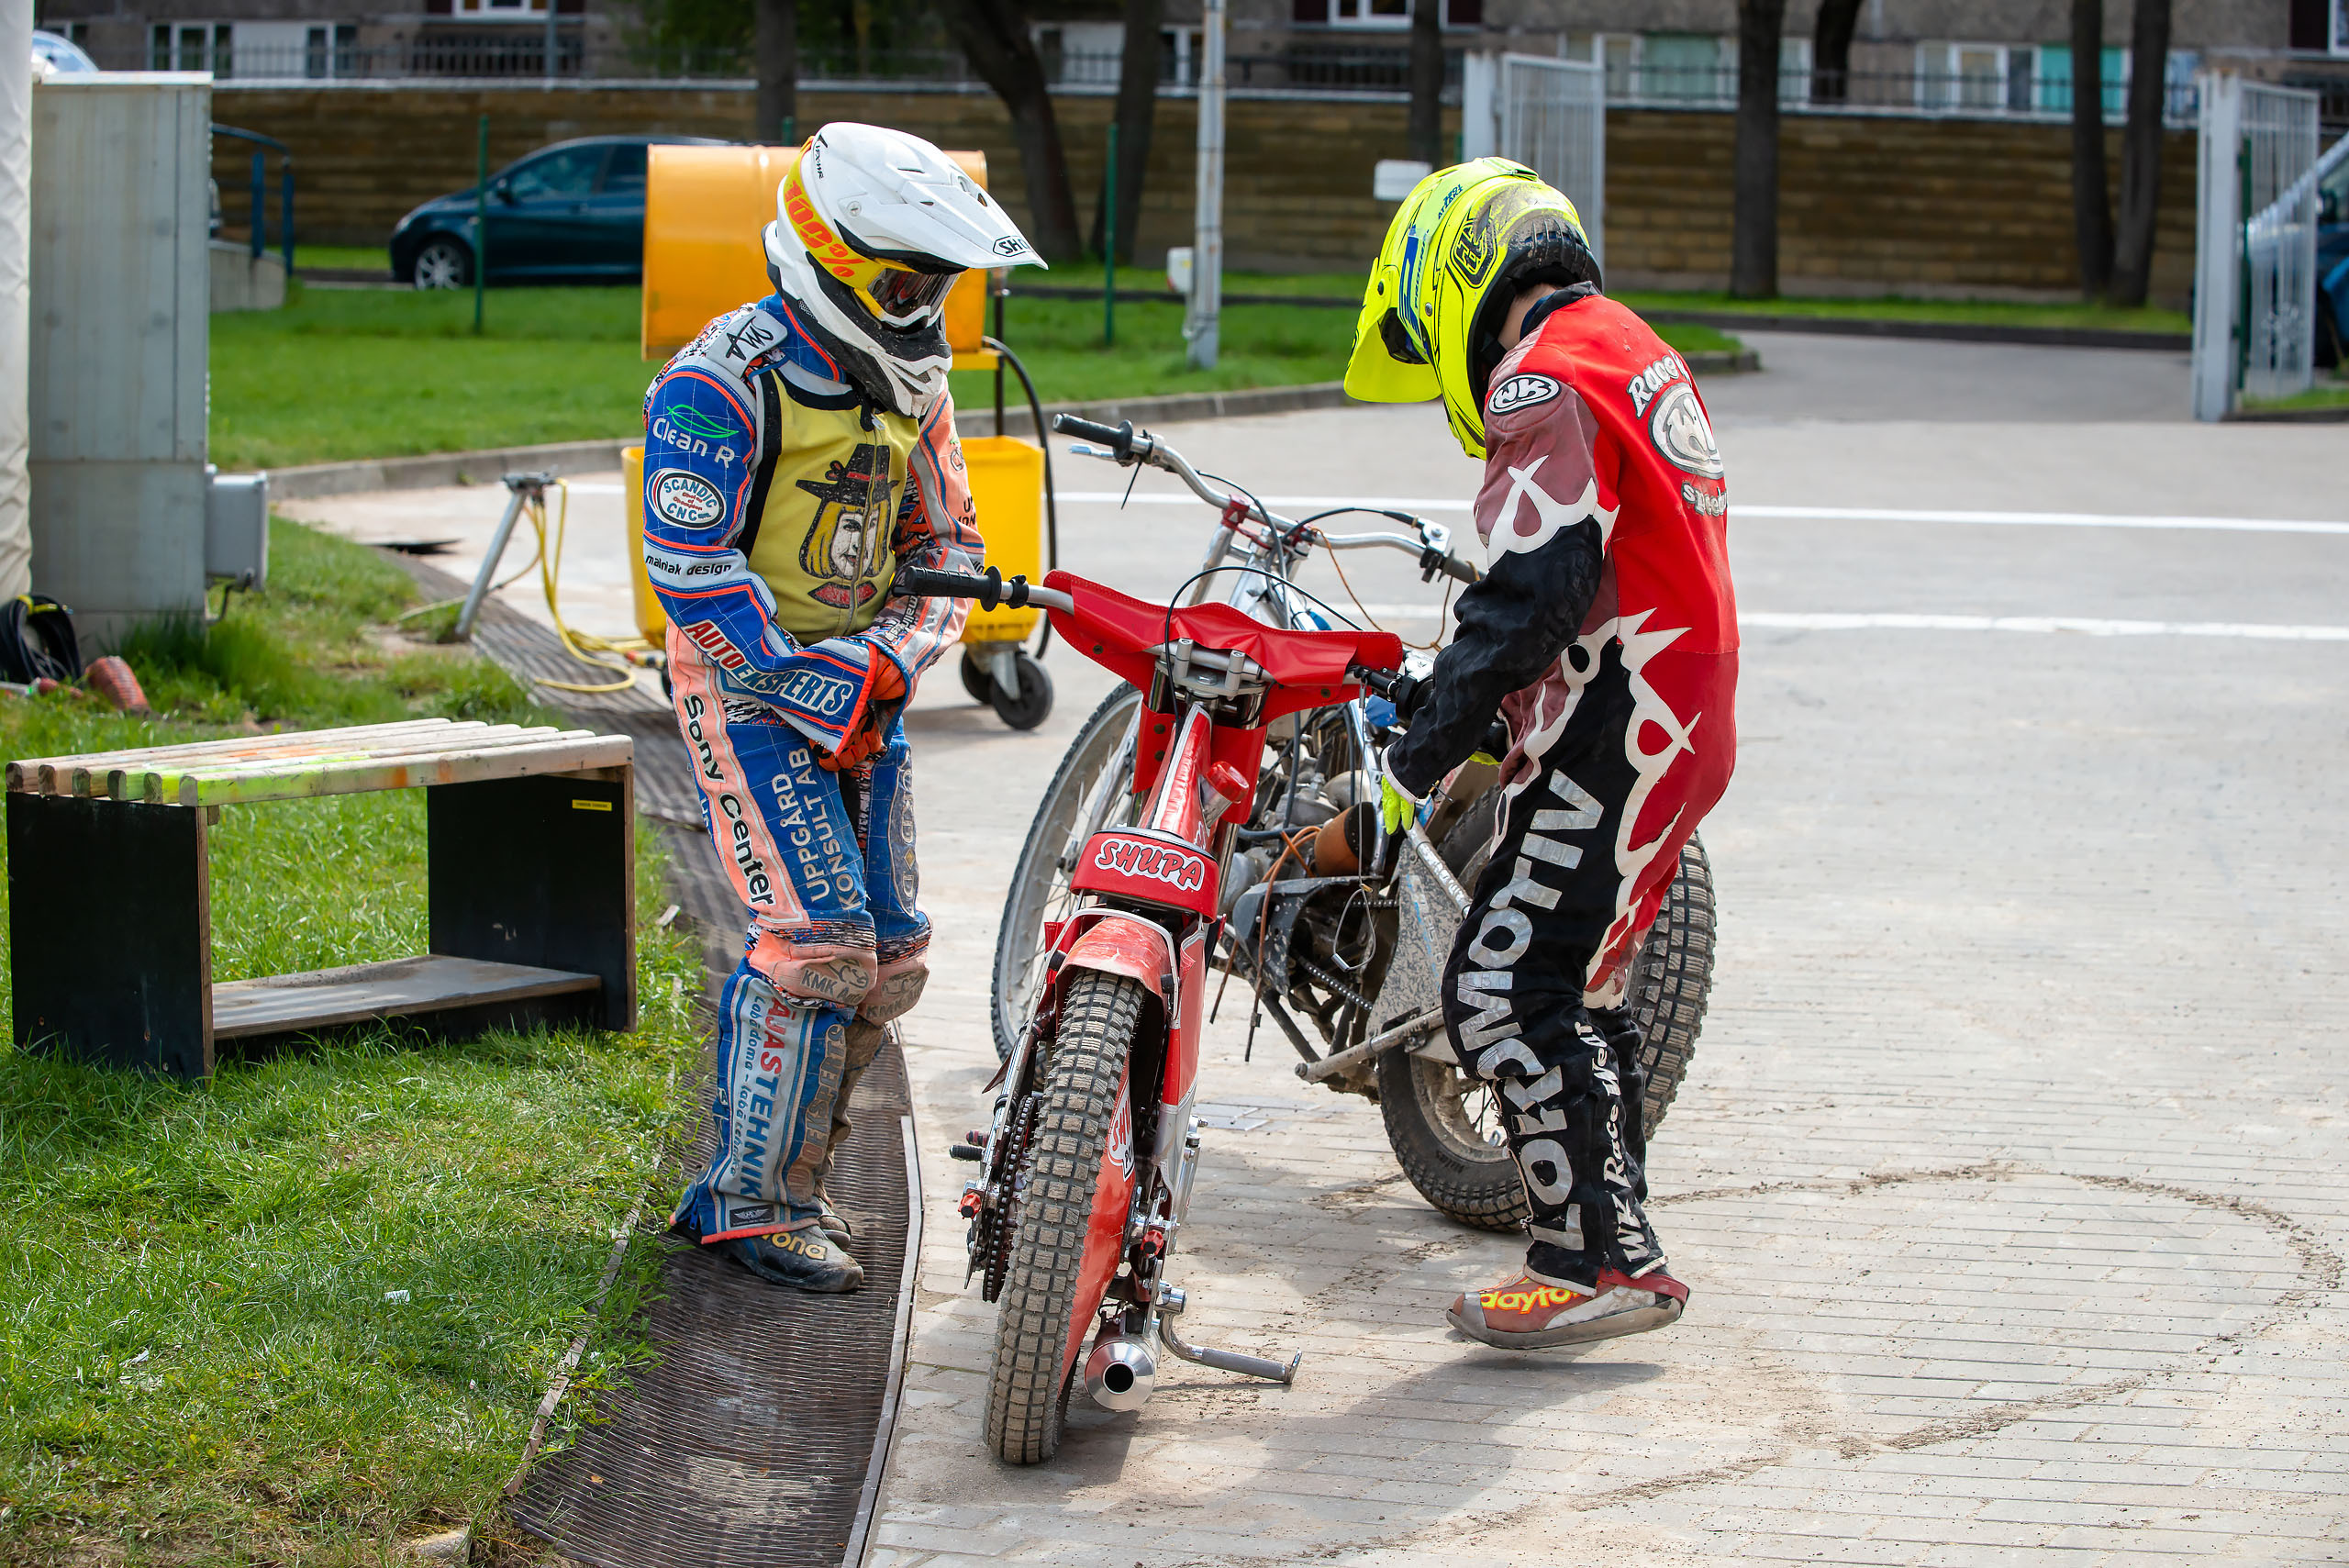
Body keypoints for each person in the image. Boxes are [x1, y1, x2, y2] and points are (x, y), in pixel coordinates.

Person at [641, 123, 1041, 1292]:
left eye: (936, 286)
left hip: (867, 685)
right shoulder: (721, 379)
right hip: (745, 689)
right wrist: (817, 683)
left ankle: (798, 1176)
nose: (923, 307)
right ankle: (746, 1201)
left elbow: (948, 547)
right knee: (817, 944)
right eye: (906, 284)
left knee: (892, 956)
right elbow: (691, 570)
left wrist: (886, 664)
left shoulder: (921, 388)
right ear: (838, 258)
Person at [1345, 159, 1738, 1349]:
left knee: (1498, 986)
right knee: (1574, 988)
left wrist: (1414, 760)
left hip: (1620, 717)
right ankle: (1620, 1248)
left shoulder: (1542, 375)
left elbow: (1530, 594)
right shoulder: (1630, 347)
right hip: (1677, 710)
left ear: (1456, 277)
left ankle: (1590, 1262)